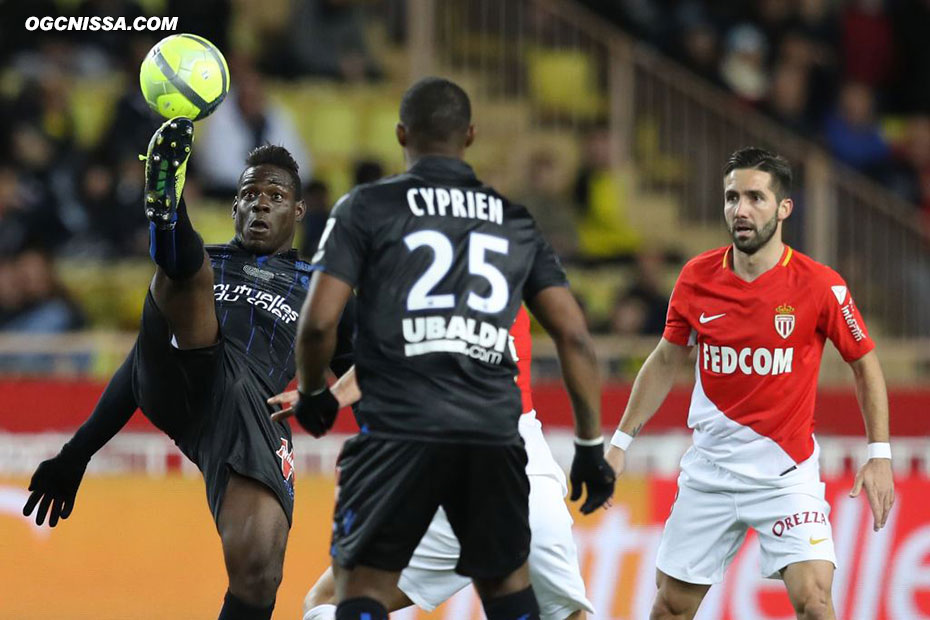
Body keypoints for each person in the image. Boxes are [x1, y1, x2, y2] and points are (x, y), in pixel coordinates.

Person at [280, 77, 615, 620]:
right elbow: (574, 337)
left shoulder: (369, 209)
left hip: (405, 436)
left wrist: (316, 392)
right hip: (503, 445)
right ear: (472, 136)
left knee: (338, 599)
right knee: (549, 608)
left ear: (401, 135)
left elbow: (322, 326)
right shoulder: (511, 226)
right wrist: (591, 447)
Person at [21, 118, 336, 620]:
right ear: (233, 206)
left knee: (259, 575)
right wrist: (75, 454)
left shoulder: (320, 288)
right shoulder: (207, 260)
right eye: (249, 193)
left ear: (297, 210)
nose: (259, 202)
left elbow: (367, 367)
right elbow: (138, 365)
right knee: (185, 274)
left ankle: (169, 219)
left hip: (247, 409)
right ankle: (166, 214)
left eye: (274, 195)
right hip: (180, 370)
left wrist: (323, 394)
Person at [604, 147, 895, 620]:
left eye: (756, 198)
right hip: (710, 474)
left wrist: (879, 455)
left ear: (784, 209)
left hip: (785, 475)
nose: (740, 210)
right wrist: (619, 443)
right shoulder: (696, 278)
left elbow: (865, 363)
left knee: (816, 602)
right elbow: (664, 360)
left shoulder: (821, 285)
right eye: (732, 197)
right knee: (670, 608)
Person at [270, 307, 595, 620]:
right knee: (563, 613)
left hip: (453, 460)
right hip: (511, 465)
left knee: (329, 600)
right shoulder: (509, 264)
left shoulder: (424, 274)